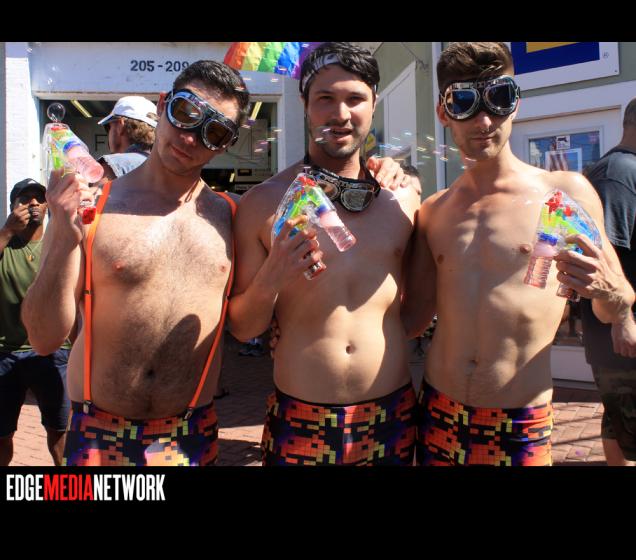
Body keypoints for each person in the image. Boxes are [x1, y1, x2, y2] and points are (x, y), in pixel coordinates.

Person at [402, 42, 635, 466]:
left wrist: (614, 297)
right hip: (438, 412)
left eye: (499, 98)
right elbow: (412, 320)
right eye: (465, 103)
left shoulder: (562, 194)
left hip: (520, 418)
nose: (484, 120)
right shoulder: (433, 211)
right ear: (443, 112)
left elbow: (613, 302)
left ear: (516, 104)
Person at [22, 60, 250, 466]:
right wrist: (62, 238)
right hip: (100, 435)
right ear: (162, 105)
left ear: (225, 144)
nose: (190, 137)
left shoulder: (231, 217)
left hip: (190, 436)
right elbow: (42, 339)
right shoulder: (93, 207)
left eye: (213, 131)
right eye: (185, 112)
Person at [229, 42, 421, 466]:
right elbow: (243, 329)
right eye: (325, 99)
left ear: (374, 103)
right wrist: (273, 274)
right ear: (304, 104)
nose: (341, 114)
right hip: (301, 419)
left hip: (390, 415)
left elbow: (418, 310)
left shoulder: (403, 198)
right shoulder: (263, 203)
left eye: (355, 98)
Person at [580, 97, 636, 466]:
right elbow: (602, 256)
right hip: (622, 338)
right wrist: (622, 319)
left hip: (621, 333)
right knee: (625, 423)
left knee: (618, 422)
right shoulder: (616, 173)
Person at [0, 178, 71, 466]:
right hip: (5, 353)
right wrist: (7, 231)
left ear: (48, 206)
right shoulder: (5, 244)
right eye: (24, 198)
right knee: (2, 435)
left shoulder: (58, 244)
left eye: (39, 199)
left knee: (60, 432)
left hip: (53, 353)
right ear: (12, 206)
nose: (32, 204)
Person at [97, 96, 158, 181]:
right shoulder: (166, 169)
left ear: (120, 125)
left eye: (108, 127)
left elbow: (99, 189)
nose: (108, 133)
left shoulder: (111, 166)